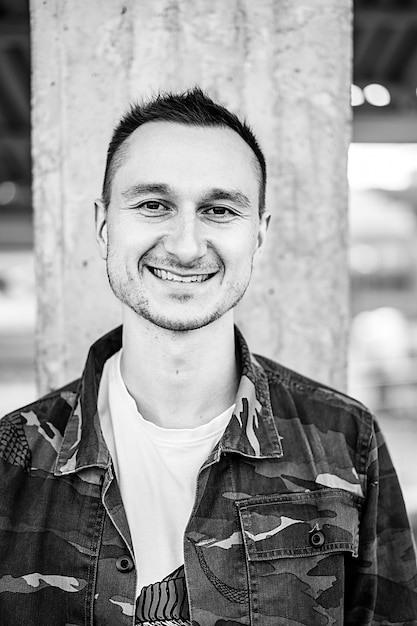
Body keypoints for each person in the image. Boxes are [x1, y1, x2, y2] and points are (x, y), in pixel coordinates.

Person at [0, 88, 416, 626]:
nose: (187, 245)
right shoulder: (10, 462)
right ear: (105, 224)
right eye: (154, 205)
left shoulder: (346, 441)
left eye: (219, 210)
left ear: (258, 233)